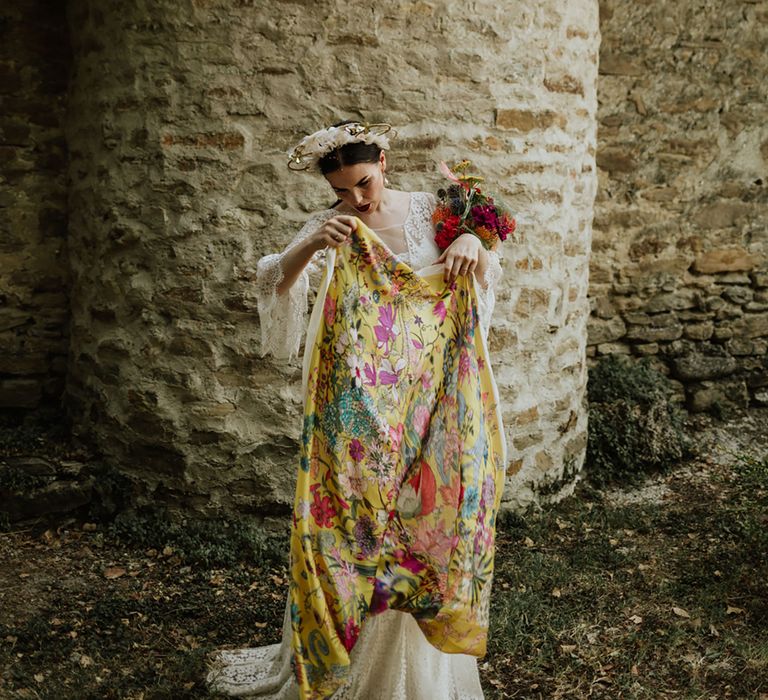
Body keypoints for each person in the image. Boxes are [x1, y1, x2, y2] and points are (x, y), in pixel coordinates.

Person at [207, 121, 506, 699]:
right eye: (342, 192)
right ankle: (341, 661)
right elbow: (274, 282)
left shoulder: (434, 211)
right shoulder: (337, 228)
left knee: (425, 509)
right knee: (355, 518)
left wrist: (476, 243)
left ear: (384, 162)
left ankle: (418, 675)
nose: (357, 200)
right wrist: (314, 243)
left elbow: (481, 283)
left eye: (364, 184)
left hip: (430, 397)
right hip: (358, 402)